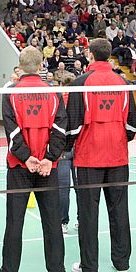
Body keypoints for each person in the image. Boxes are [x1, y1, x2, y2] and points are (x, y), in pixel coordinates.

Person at [66, 38, 136, 272]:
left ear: (89, 55)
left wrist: (71, 145)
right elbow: (132, 126)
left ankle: (89, 266)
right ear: (109, 56)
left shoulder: (80, 83)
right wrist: (119, 139)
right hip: (118, 157)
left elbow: (73, 127)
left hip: (89, 158)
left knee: (88, 215)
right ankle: (122, 263)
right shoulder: (123, 82)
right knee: (119, 211)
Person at [0, 46, 67, 272]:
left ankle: (8, 270)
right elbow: (60, 129)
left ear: (19, 68)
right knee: (52, 223)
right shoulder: (53, 92)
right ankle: (57, 269)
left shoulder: (11, 93)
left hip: (19, 167)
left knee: (14, 223)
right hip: (47, 168)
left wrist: (26, 158)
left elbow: (11, 131)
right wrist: (48, 158)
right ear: (40, 67)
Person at [55, 70, 77, 234]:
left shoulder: (57, 99)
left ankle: (63, 223)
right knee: (81, 187)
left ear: (61, 84)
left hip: (63, 149)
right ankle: (82, 220)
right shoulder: (80, 99)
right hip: (79, 147)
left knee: (63, 188)